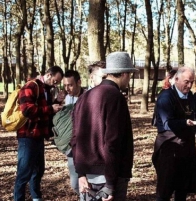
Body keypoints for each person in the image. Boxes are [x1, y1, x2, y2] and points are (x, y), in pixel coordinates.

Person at [71, 52, 138, 201]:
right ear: (125, 73)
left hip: (87, 174)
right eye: (130, 74)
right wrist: (110, 183)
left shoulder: (84, 97)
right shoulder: (115, 97)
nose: (129, 79)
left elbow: (74, 138)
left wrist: (80, 173)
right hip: (109, 176)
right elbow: (112, 141)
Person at [152, 66, 196, 201]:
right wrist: (185, 123)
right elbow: (166, 123)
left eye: (192, 82)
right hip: (169, 148)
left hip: (186, 148)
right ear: (176, 79)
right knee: (165, 190)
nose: (189, 85)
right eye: (186, 81)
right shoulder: (166, 96)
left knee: (182, 188)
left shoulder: (190, 96)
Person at [14, 66, 64, 201]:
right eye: (55, 81)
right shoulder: (31, 86)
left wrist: (57, 102)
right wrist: (50, 108)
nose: (56, 84)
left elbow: (45, 111)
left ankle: (36, 197)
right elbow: (27, 110)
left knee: (38, 171)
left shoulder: (45, 89)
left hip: (39, 136)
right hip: (28, 136)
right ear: (48, 75)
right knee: (24, 173)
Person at [61, 70, 85, 195]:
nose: (67, 88)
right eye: (65, 85)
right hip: (71, 147)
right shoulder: (67, 97)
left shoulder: (88, 96)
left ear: (79, 82)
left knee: (85, 183)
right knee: (75, 184)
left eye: (70, 85)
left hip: (86, 147)